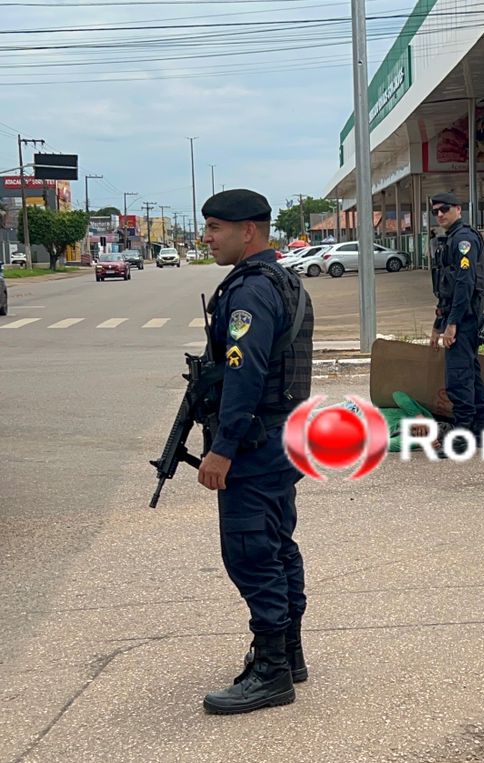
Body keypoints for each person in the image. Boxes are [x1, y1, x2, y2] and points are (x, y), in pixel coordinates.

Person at [194, 188, 315, 716]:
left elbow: (245, 375)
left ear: (248, 231)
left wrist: (222, 449)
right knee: (276, 542)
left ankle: (269, 672)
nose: (206, 237)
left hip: (256, 440)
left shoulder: (249, 293)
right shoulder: (283, 279)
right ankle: (288, 653)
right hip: (284, 434)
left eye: (216, 227)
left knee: (249, 550)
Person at [428, 191, 484, 450]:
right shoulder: (452, 239)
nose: (440, 214)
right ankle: (476, 434)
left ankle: (463, 439)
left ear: (458, 209)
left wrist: (452, 324)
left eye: (445, 209)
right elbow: (448, 289)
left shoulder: (463, 240)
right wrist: (437, 325)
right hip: (458, 318)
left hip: (464, 320)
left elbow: (464, 285)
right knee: (470, 376)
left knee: (459, 379)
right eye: (435, 211)